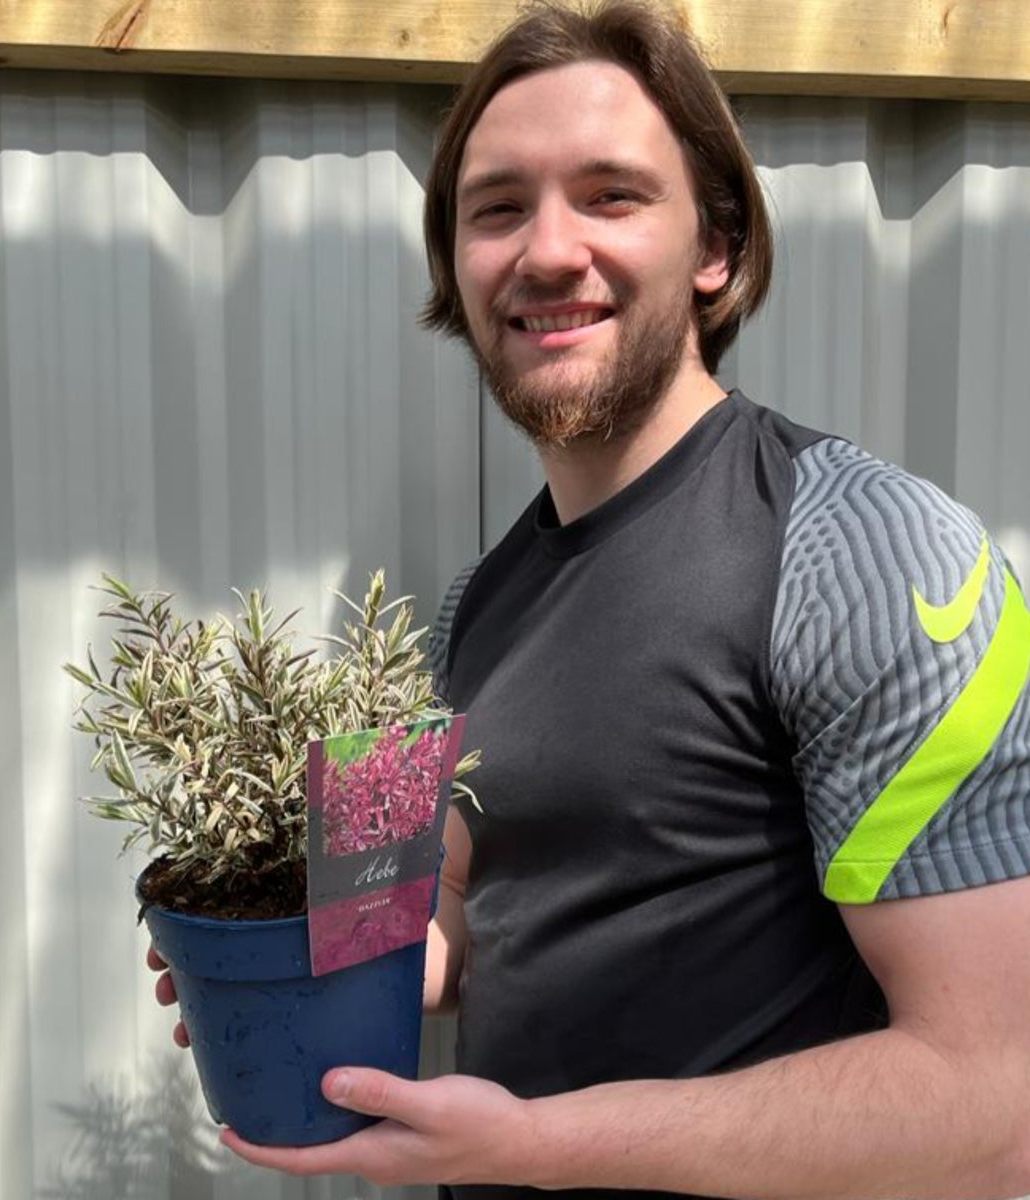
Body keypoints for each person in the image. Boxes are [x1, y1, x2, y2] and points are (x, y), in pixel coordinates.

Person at [150, 2, 1030, 1196]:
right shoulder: (473, 601)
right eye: (498, 208)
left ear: (715, 246)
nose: (548, 251)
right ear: (458, 270)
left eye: (610, 195)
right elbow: (452, 909)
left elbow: (993, 1097)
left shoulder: (869, 552)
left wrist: (537, 1147)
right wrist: (283, 963)